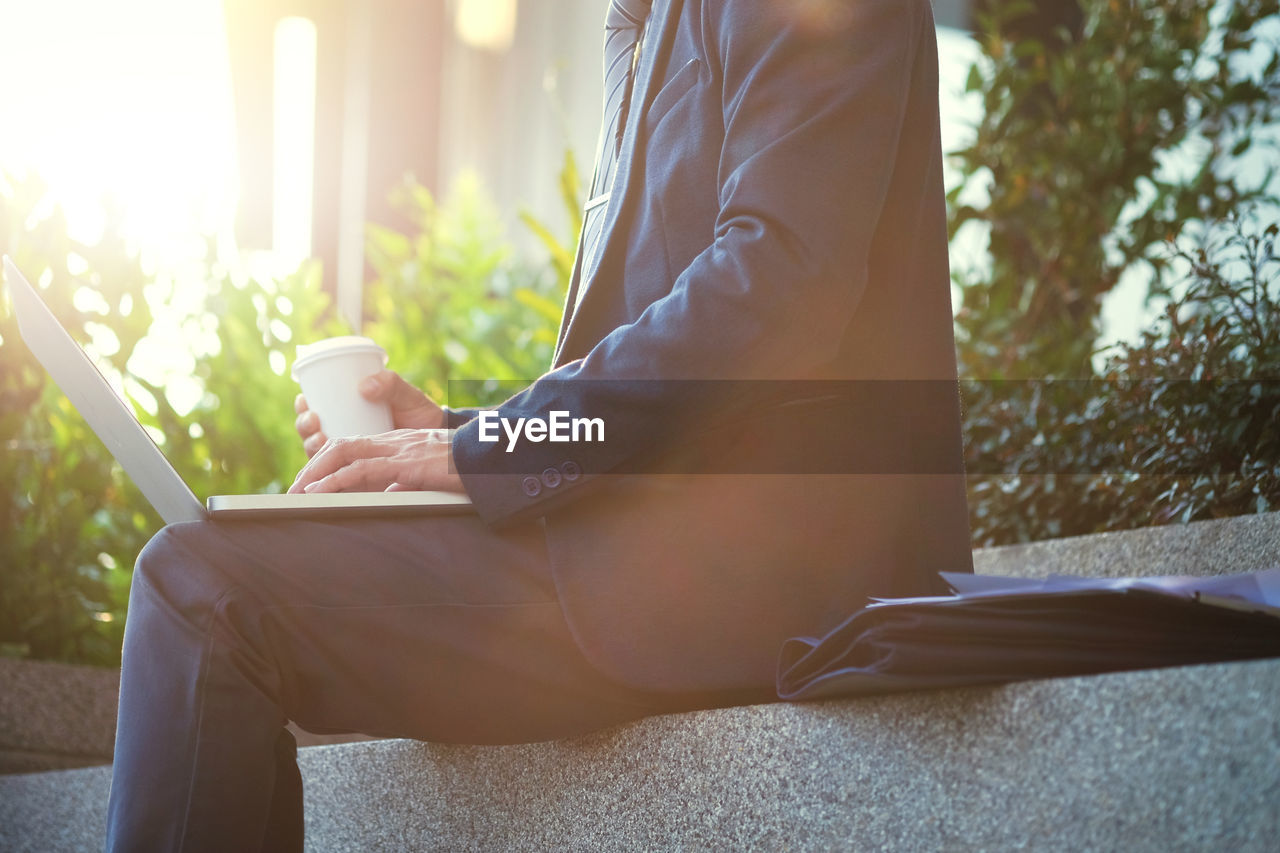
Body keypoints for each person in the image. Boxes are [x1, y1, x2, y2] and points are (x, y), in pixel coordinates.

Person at [105, 0, 972, 849]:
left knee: (207, 590)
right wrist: (455, 432)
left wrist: (489, 449)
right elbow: (671, 357)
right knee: (205, 572)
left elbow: (781, 288)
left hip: (759, 576)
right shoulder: (644, 21)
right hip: (649, 551)